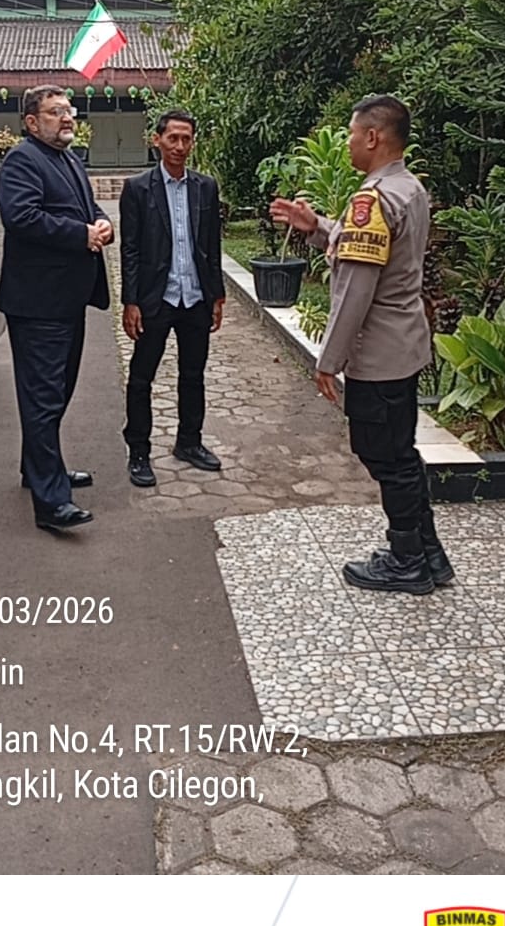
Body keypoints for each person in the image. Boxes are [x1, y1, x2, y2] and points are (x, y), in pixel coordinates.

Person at [270, 94, 454, 594]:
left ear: (372, 137)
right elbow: (370, 252)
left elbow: (356, 288)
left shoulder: (371, 200)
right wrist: (317, 227)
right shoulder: (407, 188)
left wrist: (328, 360)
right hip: (404, 346)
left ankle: (407, 561)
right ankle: (427, 552)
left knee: (385, 457)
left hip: (378, 355)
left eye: (352, 134)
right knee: (400, 452)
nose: (349, 143)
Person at [0, 86, 113, 532]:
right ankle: (51, 503)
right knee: (44, 398)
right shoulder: (22, 160)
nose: (67, 118)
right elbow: (21, 218)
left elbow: (88, 207)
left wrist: (102, 223)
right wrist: (81, 235)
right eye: (55, 112)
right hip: (38, 303)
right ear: (31, 122)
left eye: (69, 111)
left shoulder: (68, 160)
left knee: (57, 392)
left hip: (67, 299)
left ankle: (39, 470)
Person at [120, 109, 225, 487]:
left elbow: (212, 244)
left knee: (193, 375)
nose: (180, 146)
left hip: (195, 297)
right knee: (141, 378)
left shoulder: (205, 187)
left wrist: (217, 295)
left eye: (186, 139)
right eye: (173, 138)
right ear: (157, 140)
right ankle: (138, 451)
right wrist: (130, 301)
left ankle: (189, 442)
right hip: (156, 299)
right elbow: (130, 249)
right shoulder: (138, 188)